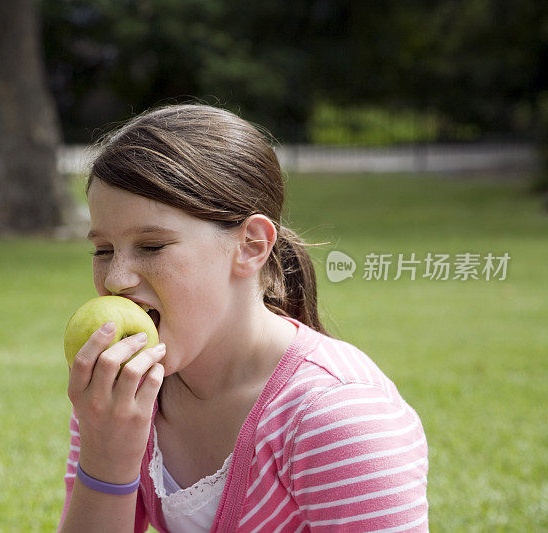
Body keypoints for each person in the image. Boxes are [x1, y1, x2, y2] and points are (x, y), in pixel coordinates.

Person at [58, 104, 428, 532]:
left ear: (251, 245)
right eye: (103, 250)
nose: (116, 279)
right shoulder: (118, 395)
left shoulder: (339, 417)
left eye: (152, 246)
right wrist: (107, 459)